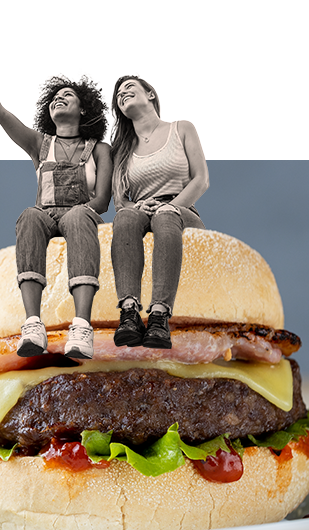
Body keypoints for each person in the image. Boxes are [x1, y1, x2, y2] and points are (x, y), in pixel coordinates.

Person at [0, 30, 112, 360]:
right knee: (28, 215)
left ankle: (81, 324)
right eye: (55, 96)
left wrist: (84, 210)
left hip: (80, 214)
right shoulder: (40, 144)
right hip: (46, 213)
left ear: (84, 109)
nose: (59, 98)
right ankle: (33, 322)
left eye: (68, 95)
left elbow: (102, 199)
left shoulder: (98, 149)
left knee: (82, 215)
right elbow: (0, 112)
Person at [109, 74, 209, 349]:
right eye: (118, 95)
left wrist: (172, 205)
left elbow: (201, 179)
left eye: (128, 87)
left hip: (182, 210)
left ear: (150, 94)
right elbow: (120, 202)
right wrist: (136, 206)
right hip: (141, 209)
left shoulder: (182, 128)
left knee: (166, 216)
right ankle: (129, 312)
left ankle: (160, 315)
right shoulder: (123, 150)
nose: (122, 94)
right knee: (125, 217)